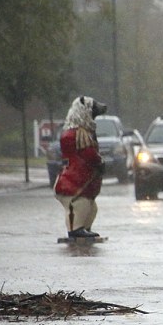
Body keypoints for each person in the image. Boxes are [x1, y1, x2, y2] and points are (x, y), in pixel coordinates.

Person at [54, 96, 107, 238]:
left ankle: (84, 228)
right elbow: (88, 153)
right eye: (94, 108)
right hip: (73, 184)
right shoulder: (76, 135)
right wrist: (98, 161)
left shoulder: (84, 133)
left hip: (83, 183)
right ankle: (75, 230)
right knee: (78, 205)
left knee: (91, 207)